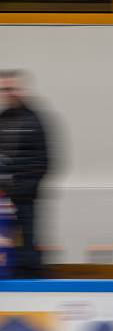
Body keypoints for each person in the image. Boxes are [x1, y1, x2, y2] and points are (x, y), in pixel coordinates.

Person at [0, 70, 50, 278]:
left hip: (25, 197)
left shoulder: (35, 120)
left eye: (12, 88)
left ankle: (32, 284)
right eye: (4, 89)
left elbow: (44, 160)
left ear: (21, 90)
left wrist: (23, 186)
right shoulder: (2, 120)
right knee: (5, 243)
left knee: (28, 244)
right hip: (3, 199)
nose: (8, 93)